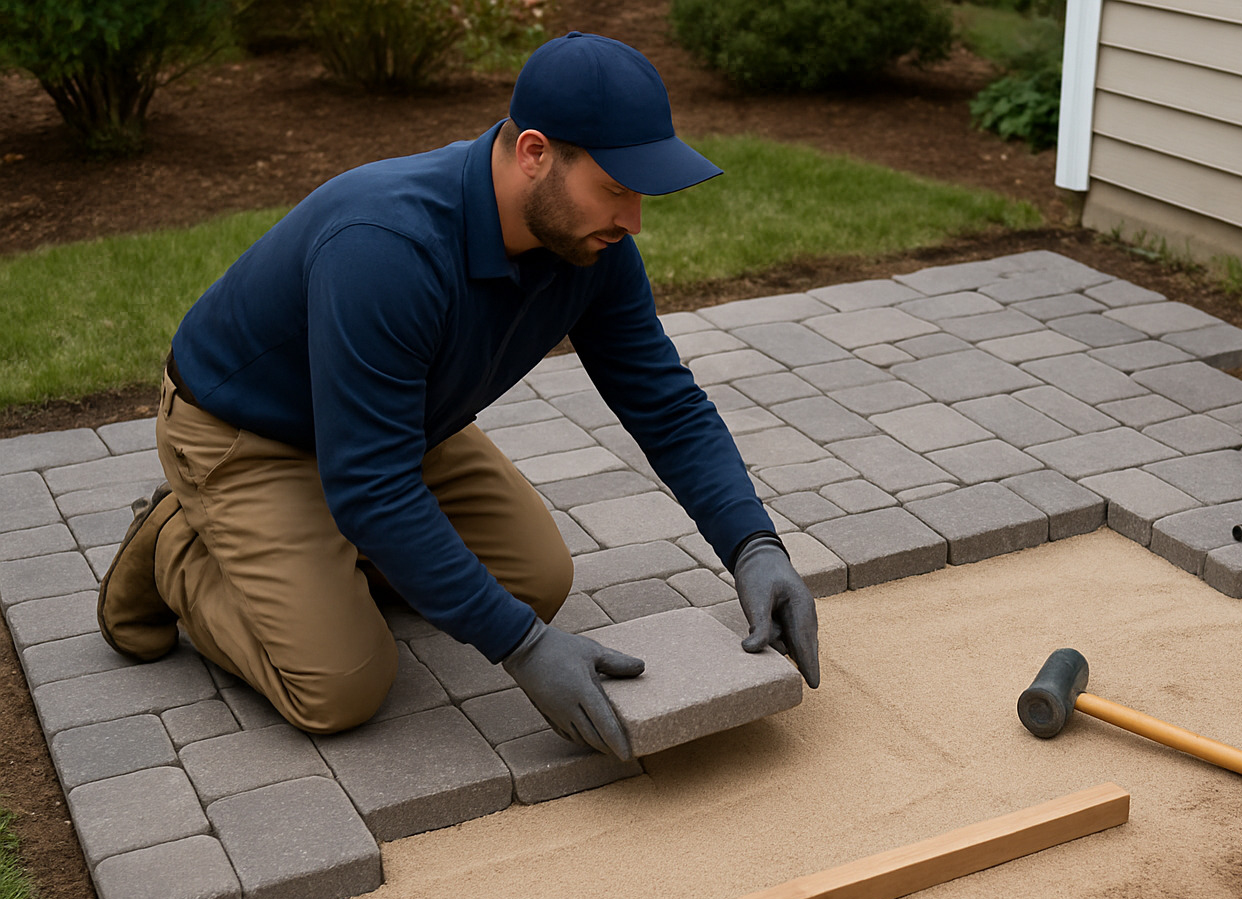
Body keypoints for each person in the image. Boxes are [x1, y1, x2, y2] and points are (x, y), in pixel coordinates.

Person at [95, 31, 820, 763]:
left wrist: (754, 546)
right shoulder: (386, 247)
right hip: (248, 433)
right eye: (615, 188)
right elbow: (372, 485)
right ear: (534, 153)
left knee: (535, 581)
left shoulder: (589, 249)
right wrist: (521, 649)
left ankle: (321, 552)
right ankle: (175, 546)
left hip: (395, 426)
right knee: (342, 687)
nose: (632, 220)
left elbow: (663, 402)